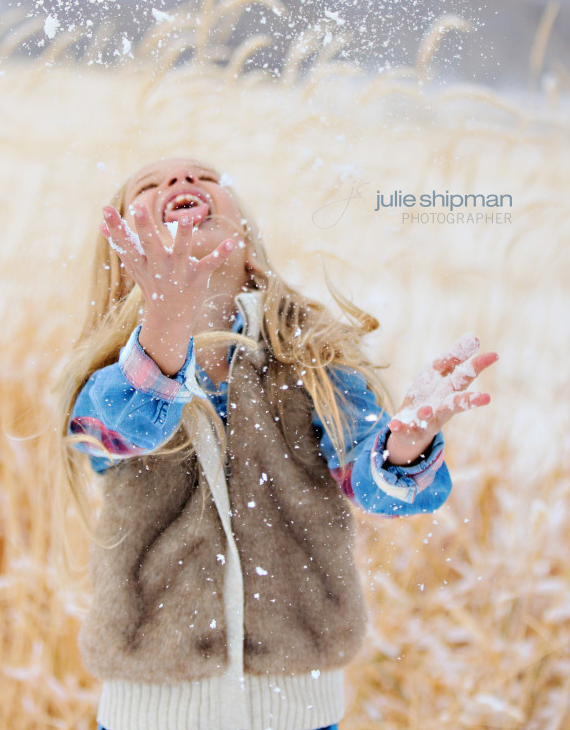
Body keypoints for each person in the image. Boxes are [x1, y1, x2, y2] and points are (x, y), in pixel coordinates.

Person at [58, 156, 497, 730]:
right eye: (149, 184)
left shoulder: (313, 361)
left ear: (246, 241)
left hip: (296, 710)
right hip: (153, 711)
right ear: (125, 262)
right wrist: (165, 320)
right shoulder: (109, 383)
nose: (180, 181)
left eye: (204, 175)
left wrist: (404, 445)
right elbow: (127, 428)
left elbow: (377, 485)